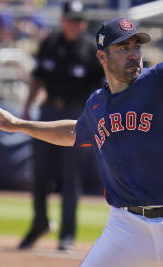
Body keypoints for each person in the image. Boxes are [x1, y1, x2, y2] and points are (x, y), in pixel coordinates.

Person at [0, 17, 163, 266]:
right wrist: (16, 125)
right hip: (126, 228)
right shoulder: (97, 103)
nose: (134, 54)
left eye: (136, 46)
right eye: (123, 48)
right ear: (102, 56)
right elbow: (75, 132)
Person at [18, 1, 104, 251]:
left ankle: (66, 234)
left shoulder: (90, 50)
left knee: (71, 177)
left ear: (84, 23)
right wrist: (27, 106)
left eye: (78, 20)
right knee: (40, 174)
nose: (74, 24)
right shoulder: (50, 43)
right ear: (63, 20)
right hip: (47, 111)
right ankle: (39, 223)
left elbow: (100, 88)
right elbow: (37, 76)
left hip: (77, 115)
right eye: (70, 19)